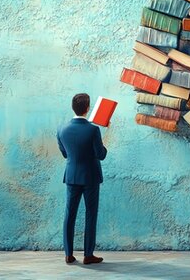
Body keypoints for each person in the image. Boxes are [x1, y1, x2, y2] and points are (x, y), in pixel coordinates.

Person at [57, 93, 107, 265]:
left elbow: (65, 154)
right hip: (91, 177)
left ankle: (68, 254)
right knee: (90, 215)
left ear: (73, 108)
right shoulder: (93, 130)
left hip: (71, 176)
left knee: (69, 215)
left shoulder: (61, 129)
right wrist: (102, 144)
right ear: (87, 108)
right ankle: (88, 255)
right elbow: (101, 155)